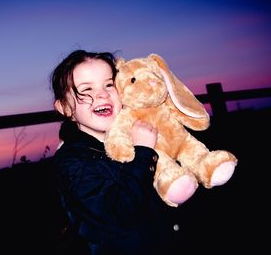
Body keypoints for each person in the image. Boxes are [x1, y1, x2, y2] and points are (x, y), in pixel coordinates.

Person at [50, 49, 184, 255]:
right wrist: (143, 153)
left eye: (109, 84)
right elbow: (118, 214)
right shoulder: (72, 161)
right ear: (65, 108)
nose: (102, 94)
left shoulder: (136, 134)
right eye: (86, 90)